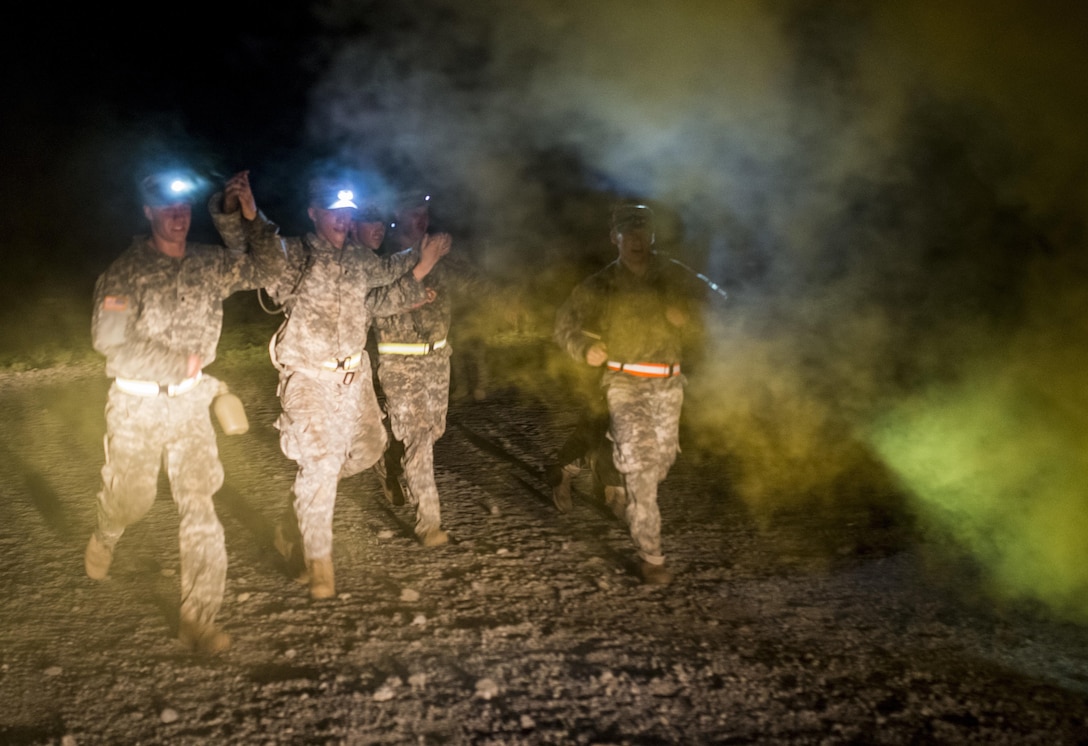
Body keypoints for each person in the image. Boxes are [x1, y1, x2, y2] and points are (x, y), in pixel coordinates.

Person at [211, 174, 449, 600]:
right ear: (314, 214)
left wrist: (423, 258)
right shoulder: (296, 255)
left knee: (370, 449)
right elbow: (261, 249)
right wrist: (247, 212)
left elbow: (386, 279)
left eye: (347, 213)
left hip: (354, 382)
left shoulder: (358, 259)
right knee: (321, 467)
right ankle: (319, 562)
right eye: (333, 213)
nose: (342, 220)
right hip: (309, 378)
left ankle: (301, 509)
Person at [84, 169, 271, 653]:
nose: (177, 215)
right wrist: (177, 361)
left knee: (200, 505)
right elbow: (110, 345)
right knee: (133, 500)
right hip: (137, 403)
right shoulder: (125, 272)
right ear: (147, 212)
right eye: (165, 208)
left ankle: (198, 618)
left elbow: (264, 269)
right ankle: (107, 530)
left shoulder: (209, 262)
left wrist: (242, 215)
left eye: (184, 207)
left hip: (189, 404)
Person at [552, 203, 705, 585]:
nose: (636, 241)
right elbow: (564, 325)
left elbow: (709, 312)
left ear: (652, 237)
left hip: (669, 386)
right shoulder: (600, 284)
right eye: (628, 233)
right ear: (614, 238)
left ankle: (599, 450)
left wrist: (688, 321)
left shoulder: (674, 276)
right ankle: (651, 555)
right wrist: (584, 348)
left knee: (661, 463)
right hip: (625, 383)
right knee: (640, 469)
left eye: (643, 233)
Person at [368, 189, 490, 546]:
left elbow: (473, 282)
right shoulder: (386, 260)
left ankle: (390, 460)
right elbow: (378, 304)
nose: (420, 217)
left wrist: (513, 300)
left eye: (424, 210)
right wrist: (422, 267)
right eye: (411, 211)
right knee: (420, 438)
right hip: (399, 360)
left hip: (438, 358)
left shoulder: (440, 255)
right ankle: (429, 523)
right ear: (397, 215)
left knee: (430, 432)